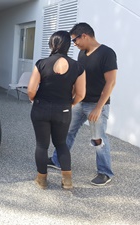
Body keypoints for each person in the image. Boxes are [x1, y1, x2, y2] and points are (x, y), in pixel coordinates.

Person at [48, 23, 118, 186]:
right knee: (67, 132)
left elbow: (111, 82)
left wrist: (99, 107)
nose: (74, 44)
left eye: (74, 40)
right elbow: (79, 79)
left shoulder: (107, 53)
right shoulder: (81, 54)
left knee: (98, 138)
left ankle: (105, 172)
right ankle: (57, 160)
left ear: (84, 35)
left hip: (97, 104)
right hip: (81, 102)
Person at [27, 31, 86, 190]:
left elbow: (31, 90)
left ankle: (42, 180)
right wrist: (70, 104)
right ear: (68, 45)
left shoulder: (41, 63)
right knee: (61, 144)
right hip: (63, 110)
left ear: (51, 44)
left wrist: (34, 100)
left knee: (42, 145)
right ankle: (67, 181)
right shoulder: (78, 67)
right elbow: (81, 94)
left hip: (41, 108)